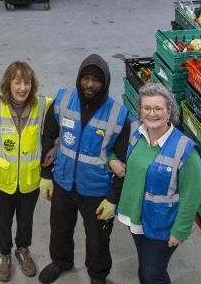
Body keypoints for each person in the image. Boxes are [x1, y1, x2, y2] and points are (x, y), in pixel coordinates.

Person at [38, 54, 131, 284]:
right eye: (85, 78)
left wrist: (113, 198)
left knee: (97, 239)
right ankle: (61, 261)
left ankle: (98, 275)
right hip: (63, 181)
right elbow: (49, 136)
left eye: (96, 80)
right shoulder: (62, 100)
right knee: (59, 230)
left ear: (106, 83)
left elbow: (123, 162)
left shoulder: (119, 115)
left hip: (97, 191)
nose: (89, 85)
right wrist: (46, 174)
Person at [116, 83, 201, 284]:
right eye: (146, 108)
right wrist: (113, 159)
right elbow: (115, 148)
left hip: (162, 224)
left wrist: (180, 230)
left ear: (169, 111)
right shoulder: (136, 130)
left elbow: (192, 195)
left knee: (154, 273)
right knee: (145, 268)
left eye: (158, 109)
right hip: (136, 216)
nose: (151, 114)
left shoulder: (185, 150)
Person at [0, 61, 53, 282]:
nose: (22, 87)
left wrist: (58, 147)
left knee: (26, 219)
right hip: (1, 179)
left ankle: (22, 249)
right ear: (8, 84)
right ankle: (4, 253)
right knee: (2, 220)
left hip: (29, 179)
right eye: (17, 82)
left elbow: (69, 115)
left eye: (27, 82)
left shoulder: (43, 105)